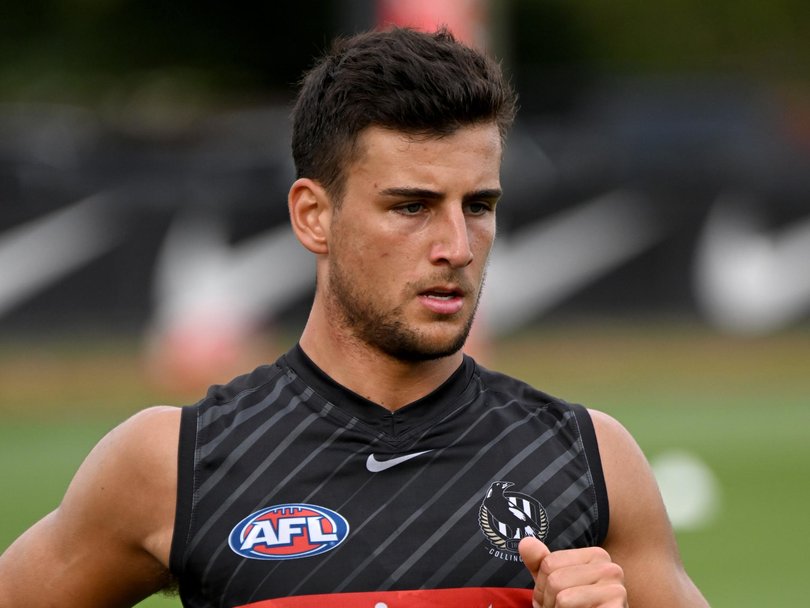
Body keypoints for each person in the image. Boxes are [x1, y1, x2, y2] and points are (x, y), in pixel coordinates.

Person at [0, 27, 709, 608]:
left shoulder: (590, 457)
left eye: (479, 207)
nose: (457, 248)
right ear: (314, 215)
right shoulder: (171, 464)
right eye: (411, 207)